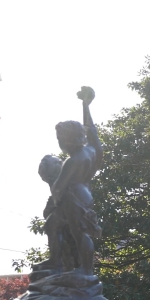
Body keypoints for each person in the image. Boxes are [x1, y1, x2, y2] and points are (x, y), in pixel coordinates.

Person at [51, 87, 103, 276]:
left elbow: (58, 188)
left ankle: (85, 270)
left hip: (72, 197)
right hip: (85, 193)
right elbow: (91, 129)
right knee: (58, 226)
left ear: (67, 141)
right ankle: (61, 264)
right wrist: (85, 105)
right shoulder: (92, 151)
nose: (59, 142)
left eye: (60, 138)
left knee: (79, 232)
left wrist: (55, 200)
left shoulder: (72, 161)